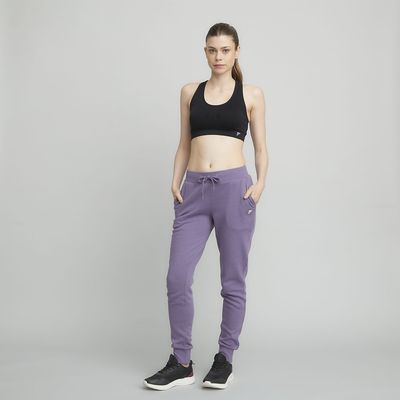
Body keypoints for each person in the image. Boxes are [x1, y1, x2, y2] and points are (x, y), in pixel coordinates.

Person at [144, 22, 268, 390]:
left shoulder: (252, 94)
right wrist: (175, 180)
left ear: (236, 52)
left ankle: (224, 358)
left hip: (234, 191)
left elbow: (261, 148)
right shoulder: (189, 92)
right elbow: (185, 143)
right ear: (205, 52)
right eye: (212, 50)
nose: (218, 57)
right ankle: (181, 362)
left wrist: (259, 185)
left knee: (232, 280)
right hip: (194, 191)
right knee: (177, 278)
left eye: (225, 50)